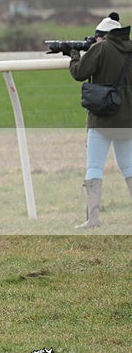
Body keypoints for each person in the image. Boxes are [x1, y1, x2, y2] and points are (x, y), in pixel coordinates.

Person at [68, 12, 132, 228]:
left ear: (101, 35)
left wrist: (74, 55)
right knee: (130, 168)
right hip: (128, 119)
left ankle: (93, 218)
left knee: (94, 167)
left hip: (102, 119)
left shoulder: (102, 47)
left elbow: (79, 72)